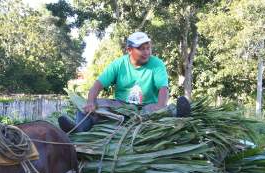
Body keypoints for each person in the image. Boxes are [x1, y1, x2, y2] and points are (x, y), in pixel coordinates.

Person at [59, 31, 191, 133]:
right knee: (87, 106)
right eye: (141, 48)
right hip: (121, 106)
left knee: (166, 109)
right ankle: (78, 129)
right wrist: (90, 102)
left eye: (148, 48)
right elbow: (98, 84)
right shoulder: (119, 64)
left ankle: (179, 114)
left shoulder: (157, 64)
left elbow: (163, 88)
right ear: (129, 50)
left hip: (147, 106)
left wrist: (161, 105)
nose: (146, 52)